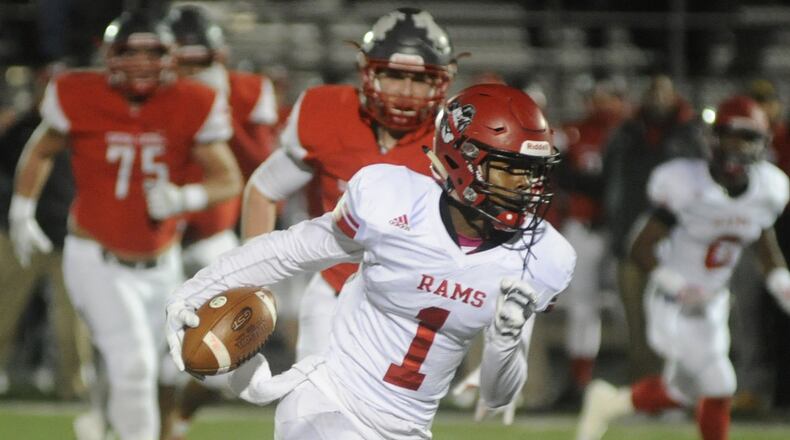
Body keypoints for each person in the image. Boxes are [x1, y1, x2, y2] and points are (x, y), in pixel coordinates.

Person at [166, 83, 576, 439]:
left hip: (409, 428)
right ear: (462, 159)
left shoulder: (542, 255)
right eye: (511, 169)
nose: (527, 186)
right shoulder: (395, 202)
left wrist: (505, 341)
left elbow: (499, 395)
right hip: (329, 401)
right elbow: (290, 250)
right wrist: (195, 290)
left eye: (533, 172)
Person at [8, 9, 242, 440]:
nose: (140, 63)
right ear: (109, 55)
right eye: (130, 52)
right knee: (134, 365)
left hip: (162, 261)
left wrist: (183, 197)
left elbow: (228, 178)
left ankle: (102, 422)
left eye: (152, 52)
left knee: (151, 370)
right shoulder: (79, 92)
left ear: (171, 56)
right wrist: (21, 210)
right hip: (97, 257)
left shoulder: (192, 100)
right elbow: (41, 150)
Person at [242, 7, 456, 362]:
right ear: (368, 71)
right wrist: (250, 283)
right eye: (393, 75)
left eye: (420, 79)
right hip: (333, 291)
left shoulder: (454, 139)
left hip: (411, 306)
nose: (406, 92)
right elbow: (264, 190)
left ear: (442, 80)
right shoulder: (328, 113)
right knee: (311, 395)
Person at [576, 95, 790, 440]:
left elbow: (764, 245)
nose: (736, 145)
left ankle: (610, 403)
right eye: (729, 135)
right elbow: (640, 247)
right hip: (673, 301)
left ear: (762, 142)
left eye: (747, 136)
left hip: (713, 301)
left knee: (684, 392)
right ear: (713, 137)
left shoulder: (768, 188)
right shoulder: (687, 183)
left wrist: (782, 285)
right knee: (720, 383)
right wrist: (676, 285)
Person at [158, 6, 278, 438]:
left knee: (232, 345)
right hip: (160, 239)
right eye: (182, 63)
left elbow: (264, 166)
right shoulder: (153, 97)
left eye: (200, 62)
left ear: (219, 57)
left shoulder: (248, 91)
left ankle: (179, 420)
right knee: (151, 351)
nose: (190, 72)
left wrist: (218, 110)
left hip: (213, 234)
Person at [601, 73, 705, 380]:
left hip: (675, 245)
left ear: (674, 95)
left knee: (677, 320)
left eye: (664, 91)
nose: (658, 98)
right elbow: (609, 181)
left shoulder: (692, 134)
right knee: (636, 319)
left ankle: (679, 384)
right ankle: (644, 385)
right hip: (631, 241)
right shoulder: (626, 132)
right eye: (653, 91)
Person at [0, 63, 86, 401]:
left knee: (73, 322)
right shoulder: (20, 128)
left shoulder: (84, 126)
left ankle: (74, 386)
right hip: (19, 236)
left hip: (69, 236)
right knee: (4, 310)